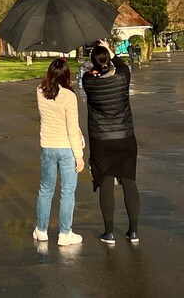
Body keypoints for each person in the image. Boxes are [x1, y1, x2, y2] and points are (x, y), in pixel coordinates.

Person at [81, 42, 140, 245]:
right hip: (125, 136)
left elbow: (89, 75)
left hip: (101, 139)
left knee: (105, 181)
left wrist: (93, 69)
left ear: (93, 63)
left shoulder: (88, 82)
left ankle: (109, 232)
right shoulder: (123, 78)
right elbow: (122, 66)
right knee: (129, 181)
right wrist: (111, 51)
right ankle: (133, 231)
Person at [33, 57, 85, 247]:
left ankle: (41, 229)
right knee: (67, 191)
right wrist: (79, 156)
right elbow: (72, 127)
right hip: (66, 148)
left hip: (48, 145)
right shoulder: (69, 97)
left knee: (46, 189)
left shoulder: (40, 92)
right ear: (66, 75)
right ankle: (65, 232)